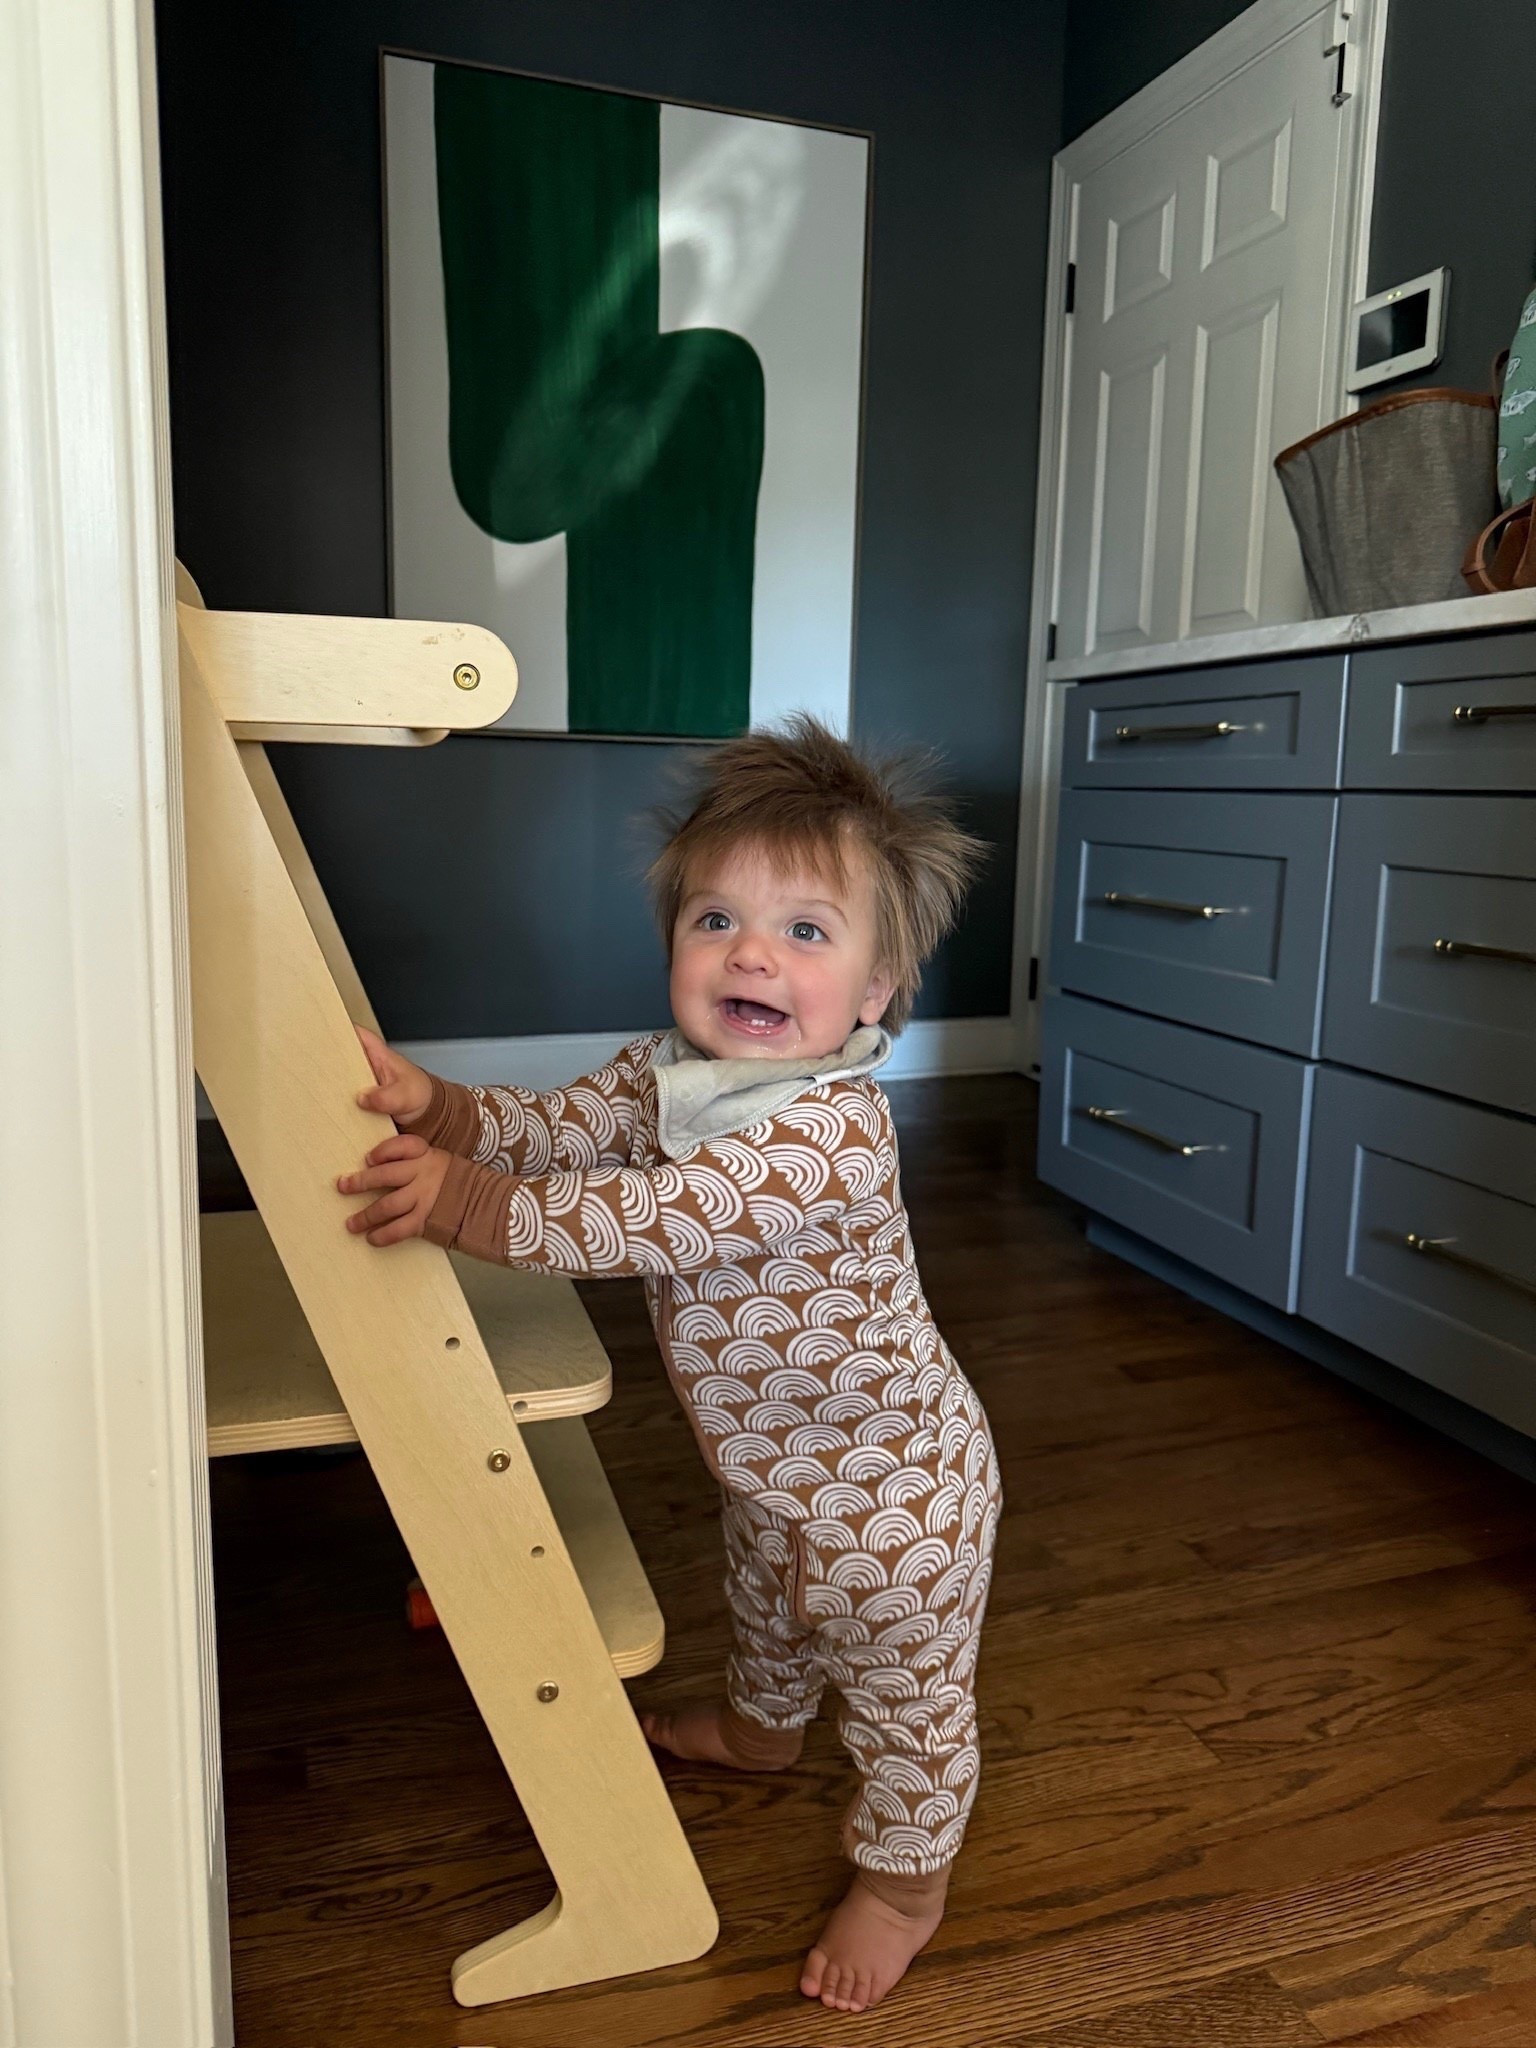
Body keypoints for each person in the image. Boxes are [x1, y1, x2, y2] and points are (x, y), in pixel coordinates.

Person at [337, 714, 1000, 2013]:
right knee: (761, 1601)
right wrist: (445, 1113)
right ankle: (760, 1733)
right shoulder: (666, 1071)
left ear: (874, 990)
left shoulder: (831, 1137)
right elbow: (553, 1133)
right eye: (716, 921)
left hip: (903, 1503)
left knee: (907, 1709)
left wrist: (460, 1204)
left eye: (806, 930)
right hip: (771, 1466)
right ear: (675, 947)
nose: (753, 951)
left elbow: (641, 1218)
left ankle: (907, 1885)